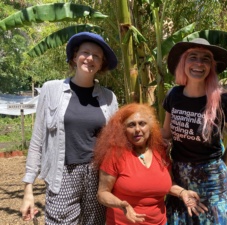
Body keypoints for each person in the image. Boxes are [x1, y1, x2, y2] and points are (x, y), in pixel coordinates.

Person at [20, 32, 119, 225]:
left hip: (97, 175)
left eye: (96, 56)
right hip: (62, 173)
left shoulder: (109, 98)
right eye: (85, 52)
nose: (90, 58)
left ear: (101, 64)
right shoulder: (51, 90)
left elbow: (115, 142)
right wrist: (28, 190)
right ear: (74, 57)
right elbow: (38, 140)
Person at [162, 38, 227, 225]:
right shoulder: (174, 95)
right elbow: (166, 133)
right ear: (183, 63)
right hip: (180, 175)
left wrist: (220, 165)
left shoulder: (224, 99)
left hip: (212, 179)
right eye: (193, 57)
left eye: (206, 59)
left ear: (211, 66)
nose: (199, 63)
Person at [94, 103, 207, 225]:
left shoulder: (160, 152)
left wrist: (183, 193)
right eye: (131, 125)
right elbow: (102, 193)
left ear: (151, 127)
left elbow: (165, 184)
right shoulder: (115, 155)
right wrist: (121, 205)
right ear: (122, 129)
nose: (137, 129)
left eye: (142, 123)